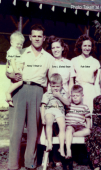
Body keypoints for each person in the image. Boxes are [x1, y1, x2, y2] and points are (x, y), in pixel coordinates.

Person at [6, 24, 54, 169]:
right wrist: (12, 74)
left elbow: (51, 82)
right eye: (34, 36)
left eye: (40, 36)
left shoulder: (49, 58)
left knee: (33, 132)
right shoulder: (20, 52)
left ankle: (30, 163)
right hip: (19, 90)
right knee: (16, 131)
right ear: (30, 37)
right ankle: (13, 165)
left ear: (44, 38)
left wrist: (47, 102)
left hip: (38, 92)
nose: (37, 39)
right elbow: (8, 71)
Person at [40, 73, 70, 157]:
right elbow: (43, 106)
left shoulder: (63, 93)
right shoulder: (47, 94)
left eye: (57, 86)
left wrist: (59, 96)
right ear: (50, 85)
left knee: (62, 126)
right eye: (53, 86)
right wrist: (43, 118)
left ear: (61, 85)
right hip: (49, 110)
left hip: (59, 111)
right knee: (49, 121)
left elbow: (68, 103)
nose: (55, 88)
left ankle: (61, 148)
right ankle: (49, 143)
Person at [71, 34, 100, 113]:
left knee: (89, 113)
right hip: (77, 90)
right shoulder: (74, 61)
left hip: (90, 91)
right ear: (80, 46)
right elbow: (71, 80)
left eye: (89, 46)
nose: (87, 48)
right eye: (85, 45)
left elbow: (96, 80)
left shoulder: (95, 62)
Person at [65, 85, 91, 159]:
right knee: (69, 129)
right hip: (70, 126)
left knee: (88, 131)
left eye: (77, 96)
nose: (75, 97)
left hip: (80, 127)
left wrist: (88, 128)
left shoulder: (84, 107)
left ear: (82, 96)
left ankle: (69, 135)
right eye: (73, 96)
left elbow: (88, 119)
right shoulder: (68, 106)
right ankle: (68, 150)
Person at [5, 31, 25, 106]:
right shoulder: (12, 51)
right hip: (14, 68)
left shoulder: (16, 51)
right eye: (18, 43)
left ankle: (8, 98)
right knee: (20, 82)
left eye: (21, 44)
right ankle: (8, 92)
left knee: (13, 83)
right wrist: (16, 70)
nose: (19, 46)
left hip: (15, 68)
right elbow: (12, 60)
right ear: (11, 42)